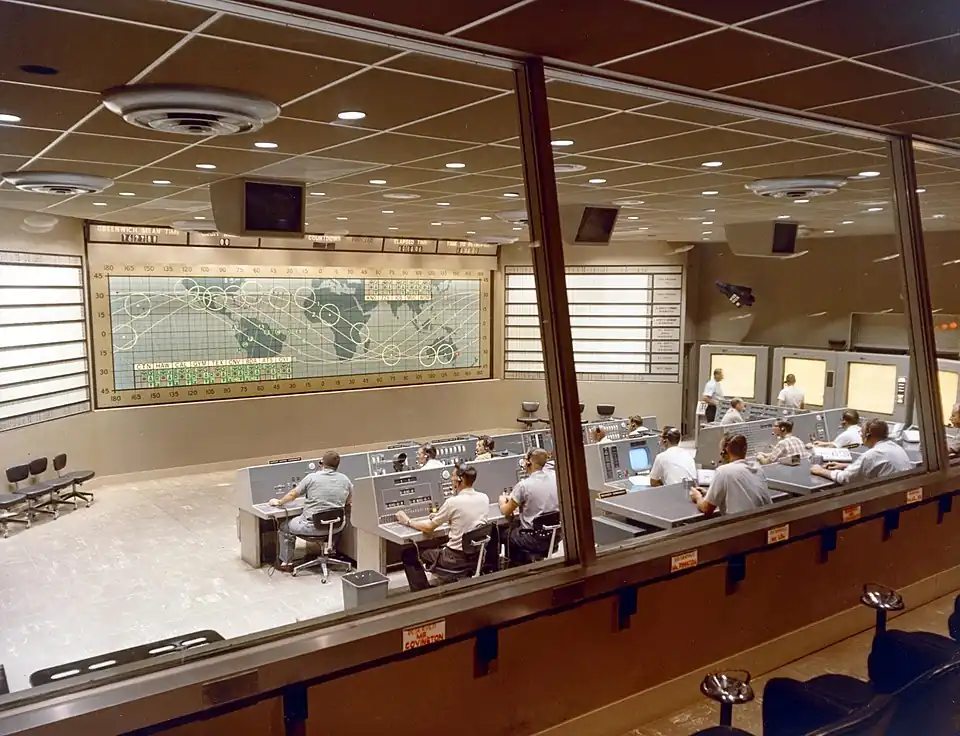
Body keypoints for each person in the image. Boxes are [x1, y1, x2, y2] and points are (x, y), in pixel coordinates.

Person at [397, 463, 490, 591]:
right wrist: (442, 515)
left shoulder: (453, 502)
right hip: (477, 556)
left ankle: (423, 594)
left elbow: (429, 528)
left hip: (454, 559)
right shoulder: (484, 498)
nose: (451, 479)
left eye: (453, 476)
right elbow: (466, 517)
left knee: (409, 553)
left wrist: (407, 521)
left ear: (460, 479)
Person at [269, 450, 353, 572]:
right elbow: (349, 501)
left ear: (321, 463)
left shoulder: (311, 478)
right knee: (340, 518)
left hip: (311, 527)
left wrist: (279, 502)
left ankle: (286, 562)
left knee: (284, 526)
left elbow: (293, 494)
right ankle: (331, 551)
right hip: (336, 527)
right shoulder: (345, 480)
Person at [499, 448, 559, 564]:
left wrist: (502, 501)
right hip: (555, 536)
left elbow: (506, 511)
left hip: (532, 538)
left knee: (505, 533)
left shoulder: (523, 486)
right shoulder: (555, 477)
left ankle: (514, 568)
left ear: (528, 462)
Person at [689, 434, 773, 516]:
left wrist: (698, 497)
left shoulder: (723, 471)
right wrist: (709, 494)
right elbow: (744, 494)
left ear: (724, 452)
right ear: (745, 449)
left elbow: (706, 508)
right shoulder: (758, 469)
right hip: (763, 521)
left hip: (742, 523)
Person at [811, 419, 913, 484]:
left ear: (868, 435)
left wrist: (821, 471)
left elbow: (845, 478)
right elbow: (875, 466)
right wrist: (845, 466)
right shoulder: (896, 447)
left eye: (862, 432)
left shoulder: (872, 455)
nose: (860, 435)